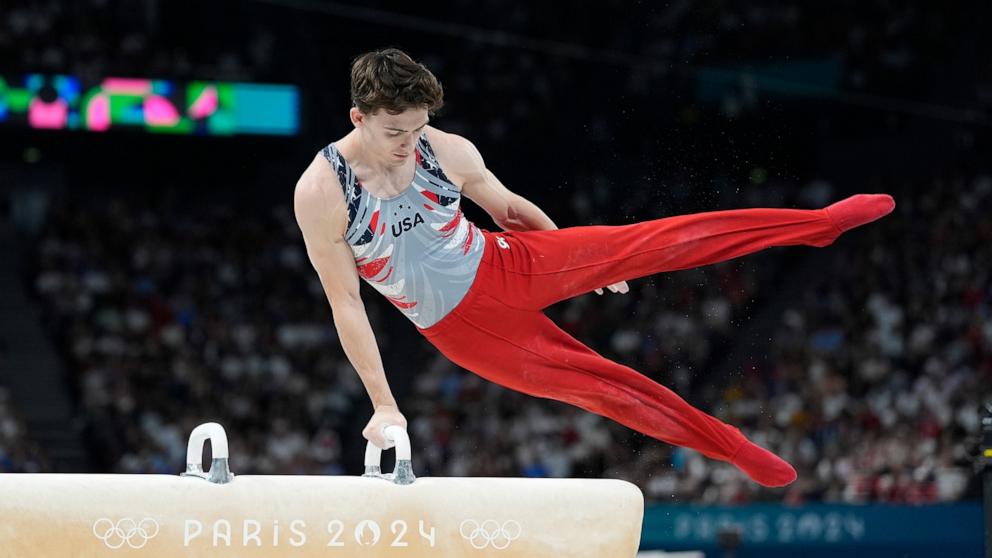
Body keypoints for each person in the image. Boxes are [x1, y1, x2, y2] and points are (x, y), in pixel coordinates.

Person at [293, 48, 895, 487]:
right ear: (358, 118)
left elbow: (506, 210)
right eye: (397, 131)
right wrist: (384, 405)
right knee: (604, 386)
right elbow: (347, 303)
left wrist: (580, 258)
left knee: (650, 240)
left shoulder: (445, 149)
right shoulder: (323, 192)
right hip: (465, 327)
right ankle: (732, 447)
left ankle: (817, 225)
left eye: (418, 127)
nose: (410, 142)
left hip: (506, 262)